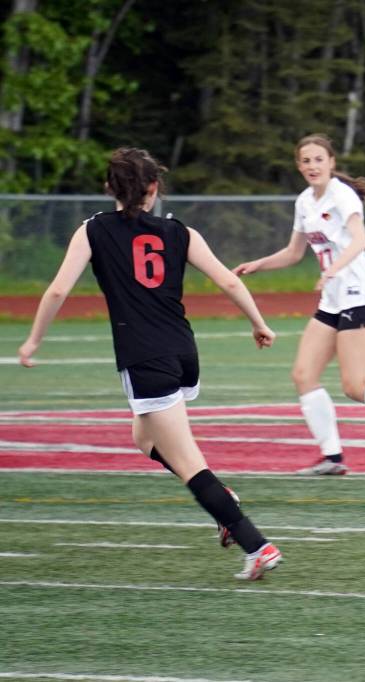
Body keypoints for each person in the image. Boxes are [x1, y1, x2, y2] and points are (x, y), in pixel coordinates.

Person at [18, 147, 282, 580]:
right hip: (183, 352)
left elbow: (57, 292)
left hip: (145, 358)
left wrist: (32, 340)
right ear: (154, 189)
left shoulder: (92, 231)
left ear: (109, 189)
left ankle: (255, 543)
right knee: (144, 438)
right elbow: (228, 279)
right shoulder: (182, 232)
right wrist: (259, 323)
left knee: (190, 462)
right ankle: (221, 498)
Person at [233, 133, 365, 475]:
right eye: (305, 160)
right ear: (298, 165)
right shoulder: (305, 201)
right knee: (303, 375)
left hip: (357, 295)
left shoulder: (342, 195)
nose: (312, 166)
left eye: (319, 159)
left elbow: (360, 240)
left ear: (331, 162)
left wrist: (331, 271)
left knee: (355, 385)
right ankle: (332, 458)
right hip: (332, 300)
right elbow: (294, 252)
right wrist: (258, 264)